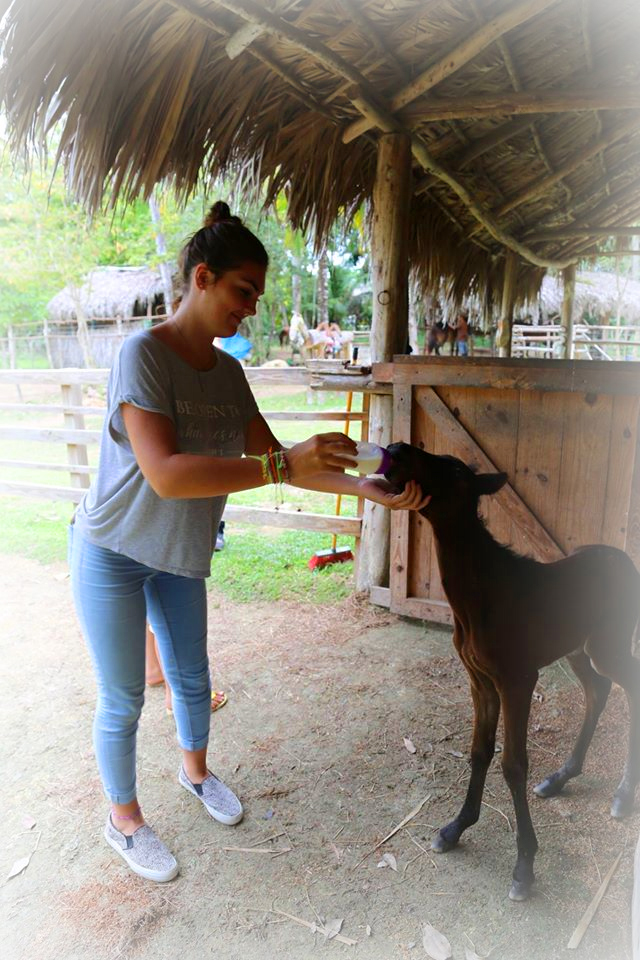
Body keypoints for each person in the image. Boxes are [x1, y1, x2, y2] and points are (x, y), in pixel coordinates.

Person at [69, 200, 429, 884]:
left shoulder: (229, 375)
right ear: (201, 278)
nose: (251, 308)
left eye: (257, 296)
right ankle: (124, 820)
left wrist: (365, 489)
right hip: (111, 550)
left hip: (177, 555)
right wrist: (281, 463)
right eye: (244, 290)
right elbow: (167, 475)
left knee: (193, 677)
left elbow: (283, 461)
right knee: (123, 698)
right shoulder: (143, 355)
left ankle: (196, 774)